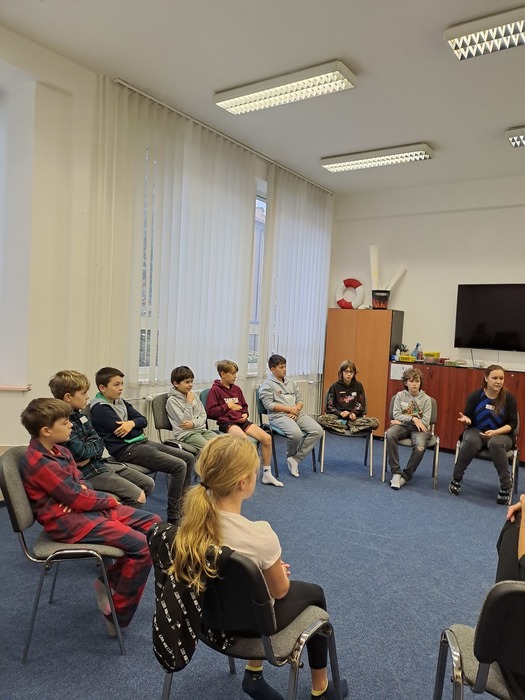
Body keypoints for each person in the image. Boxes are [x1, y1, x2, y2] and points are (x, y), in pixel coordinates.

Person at [169, 435, 348, 700]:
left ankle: (254, 674)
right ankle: (320, 688)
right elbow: (280, 591)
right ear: (243, 483)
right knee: (315, 593)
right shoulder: (260, 535)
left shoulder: (187, 528)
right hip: (251, 627)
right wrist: (275, 573)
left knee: (255, 587)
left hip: (203, 621)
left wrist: (258, 575)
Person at [20, 398, 161, 635]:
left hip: (84, 510)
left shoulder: (61, 450)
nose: (71, 425)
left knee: (154, 525)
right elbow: (76, 496)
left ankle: (108, 581)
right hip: (68, 523)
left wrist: (78, 495)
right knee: (142, 548)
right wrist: (104, 499)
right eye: (64, 423)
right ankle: (116, 614)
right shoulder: (39, 461)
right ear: (46, 431)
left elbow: (81, 483)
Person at [90, 366, 194, 524]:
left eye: (121, 384)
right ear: (102, 388)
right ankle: (174, 515)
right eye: (116, 385)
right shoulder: (100, 409)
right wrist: (134, 425)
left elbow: (143, 421)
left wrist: (131, 423)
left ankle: (183, 504)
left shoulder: (120, 402)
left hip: (142, 442)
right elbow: (129, 434)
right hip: (127, 450)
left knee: (188, 458)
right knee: (179, 466)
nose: (121, 388)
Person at [49, 369, 155, 508]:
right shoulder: (61, 422)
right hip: (86, 473)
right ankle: (121, 521)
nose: (87, 397)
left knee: (148, 483)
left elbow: (99, 441)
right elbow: (81, 453)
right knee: (138, 496)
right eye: (83, 393)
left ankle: (121, 516)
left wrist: (90, 450)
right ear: (68, 397)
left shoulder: (79, 414)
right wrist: (91, 449)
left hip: (98, 463)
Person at [206, 359, 282, 487]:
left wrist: (245, 414)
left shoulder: (237, 389)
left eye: (236, 373)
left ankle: (267, 474)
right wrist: (227, 406)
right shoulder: (215, 390)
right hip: (227, 423)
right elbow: (210, 412)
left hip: (241, 421)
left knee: (267, 438)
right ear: (223, 374)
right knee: (244, 440)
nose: (235, 376)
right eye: (233, 373)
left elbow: (244, 406)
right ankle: (242, 474)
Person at [449, 364, 517, 505]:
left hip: (501, 434)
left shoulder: (509, 398)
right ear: (486, 378)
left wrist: (495, 432)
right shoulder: (476, 396)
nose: (498, 381)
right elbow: (468, 417)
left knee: (495, 443)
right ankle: (456, 478)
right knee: (471, 441)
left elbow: (512, 424)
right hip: (477, 430)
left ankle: (506, 486)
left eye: (501, 378)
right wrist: (467, 420)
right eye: (494, 378)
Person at [259, 354, 323, 478]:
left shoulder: (291, 383)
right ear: (273, 369)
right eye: (281, 367)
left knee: (318, 430)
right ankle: (291, 457)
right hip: (278, 416)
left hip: (296, 413)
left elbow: (300, 400)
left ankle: (295, 459)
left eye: (285, 366)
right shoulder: (267, 385)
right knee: (296, 434)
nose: (285, 369)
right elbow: (268, 405)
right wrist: (290, 409)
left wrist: (296, 410)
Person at [385, 367, 433, 490]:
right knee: (390, 434)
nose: (414, 384)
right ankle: (396, 472)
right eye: (411, 381)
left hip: (420, 430)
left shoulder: (427, 399)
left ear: (420, 383)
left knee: (420, 446)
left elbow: (425, 422)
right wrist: (413, 419)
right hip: (403, 426)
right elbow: (396, 414)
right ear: (406, 383)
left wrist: (402, 420)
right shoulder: (400, 395)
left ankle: (406, 476)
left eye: (417, 381)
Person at [166, 365, 217, 450]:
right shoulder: (172, 401)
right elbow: (184, 423)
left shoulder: (193, 395)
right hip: (186, 434)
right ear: (176, 384)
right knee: (209, 448)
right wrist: (189, 403)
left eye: (191, 381)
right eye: (187, 382)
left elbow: (203, 415)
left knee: (222, 444)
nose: (190, 385)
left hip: (201, 430)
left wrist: (193, 424)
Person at [324, 360, 379, 433]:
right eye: (346, 371)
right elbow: (329, 406)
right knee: (322, 419)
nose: (349, 374)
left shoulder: (359, 386)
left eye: (351, 372)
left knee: (375, 422)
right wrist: (340, 413)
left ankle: (344, 426)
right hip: (338, 417)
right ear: (341, 372)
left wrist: (354, 413)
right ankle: (350, 426)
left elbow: (361, 404)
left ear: (354, 373)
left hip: (354, 418)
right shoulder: (334, 387)